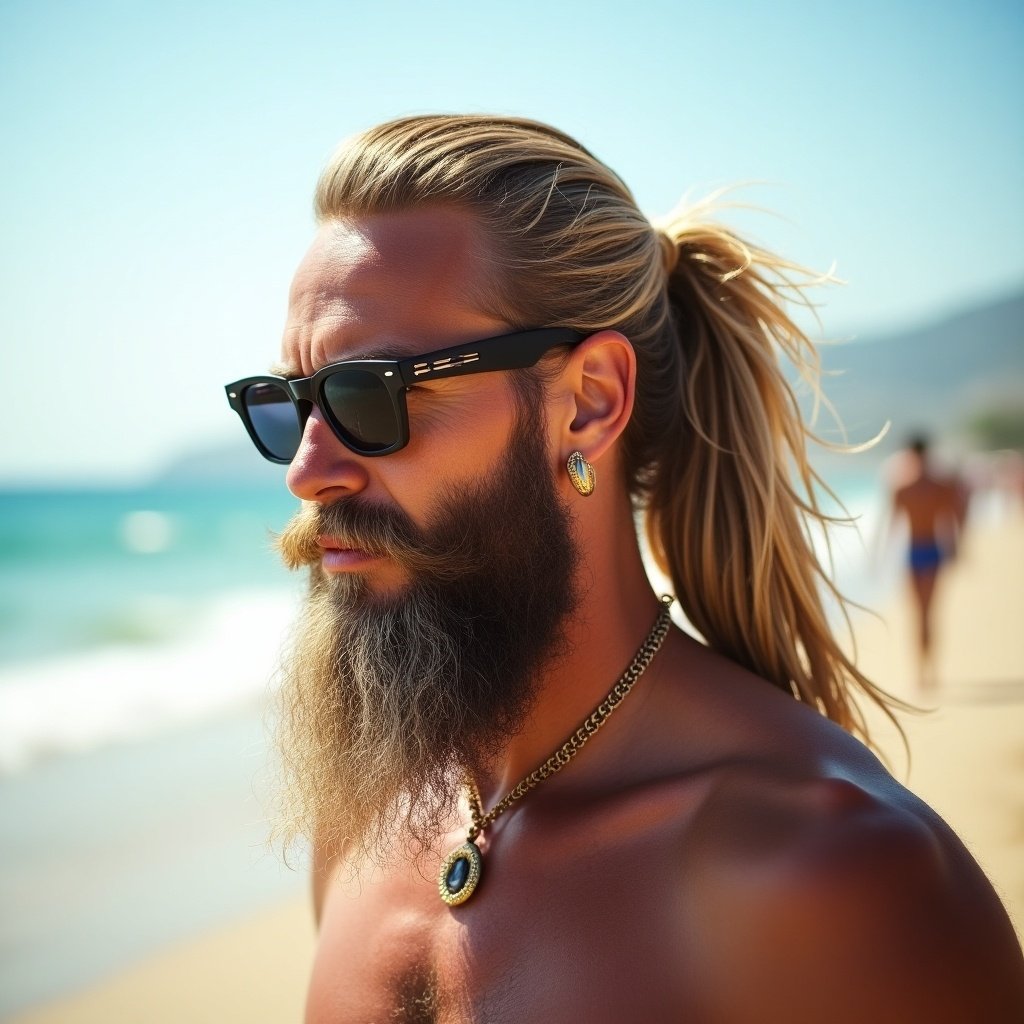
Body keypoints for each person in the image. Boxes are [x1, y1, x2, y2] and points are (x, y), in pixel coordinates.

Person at [225, 115, 1024, 1021]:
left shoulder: (832, 879)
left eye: (369, 395)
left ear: (590, 403)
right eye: (288, 406)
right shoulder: (369, 818)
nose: (305, 471)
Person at [890, 435, 968, 691]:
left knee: (924, 613)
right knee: (923, 613)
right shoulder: (927, 486)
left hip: (923, 551)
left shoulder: (908, 488)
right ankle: (924, 671)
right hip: (924, 550)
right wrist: (958, 545)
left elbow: (892, 526)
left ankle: (926, 671)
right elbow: (958, 512)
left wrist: (957, 546)